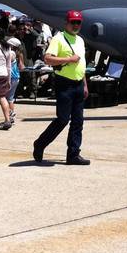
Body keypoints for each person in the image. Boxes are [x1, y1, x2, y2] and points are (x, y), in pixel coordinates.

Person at [33, 10, 90, 165]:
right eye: (73, 22)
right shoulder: (58, 39)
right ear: (67, 23)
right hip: (64, 84)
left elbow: (81, 64)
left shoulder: (80, 40)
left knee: (78, 122)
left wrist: (84, 84)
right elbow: (48, 58)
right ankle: (40, 143)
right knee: (63, 120)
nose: (76, 25)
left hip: (78, 83)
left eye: (78, 22)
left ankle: (73, 154)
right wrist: (68, 59)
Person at [6, 36, 24, 123]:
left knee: (6, 98)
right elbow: (22, 67)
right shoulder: (19, 54)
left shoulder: (10, 53)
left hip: (10, 77)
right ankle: (11, 114)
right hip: (16, 77)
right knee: (10, 98)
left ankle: (9, 115)